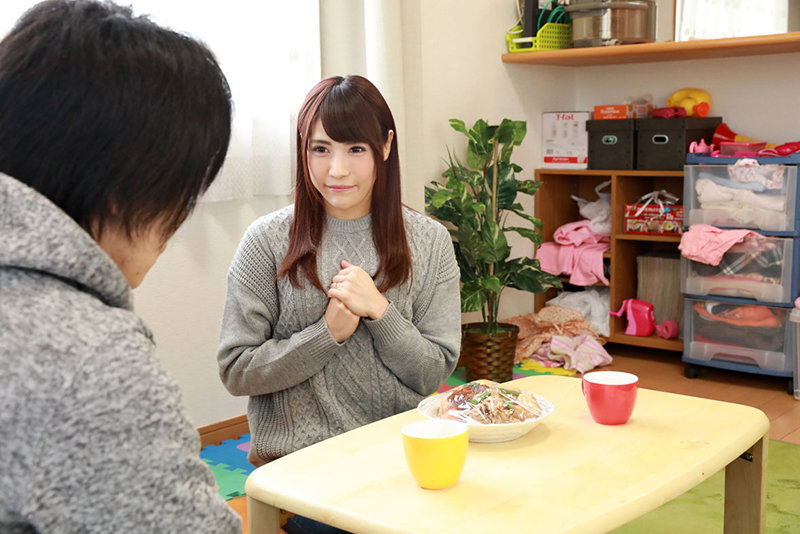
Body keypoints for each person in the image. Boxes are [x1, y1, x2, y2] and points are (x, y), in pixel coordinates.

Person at [0, 1, 240, 532]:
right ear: (128, 188)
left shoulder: (420, 236)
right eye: (183, 192)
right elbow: (241, 366)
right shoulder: (90, 358)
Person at [216, 74, 461, 475]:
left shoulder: (430, 241)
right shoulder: (266, 241)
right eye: (321, 149)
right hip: (297, 466)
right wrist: (326, 334)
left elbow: (432, 372)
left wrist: (381, 312)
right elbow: (236, 371)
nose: (337, 170)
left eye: (356, 149)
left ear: (386, 146)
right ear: (303, 149)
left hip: (397, 458)